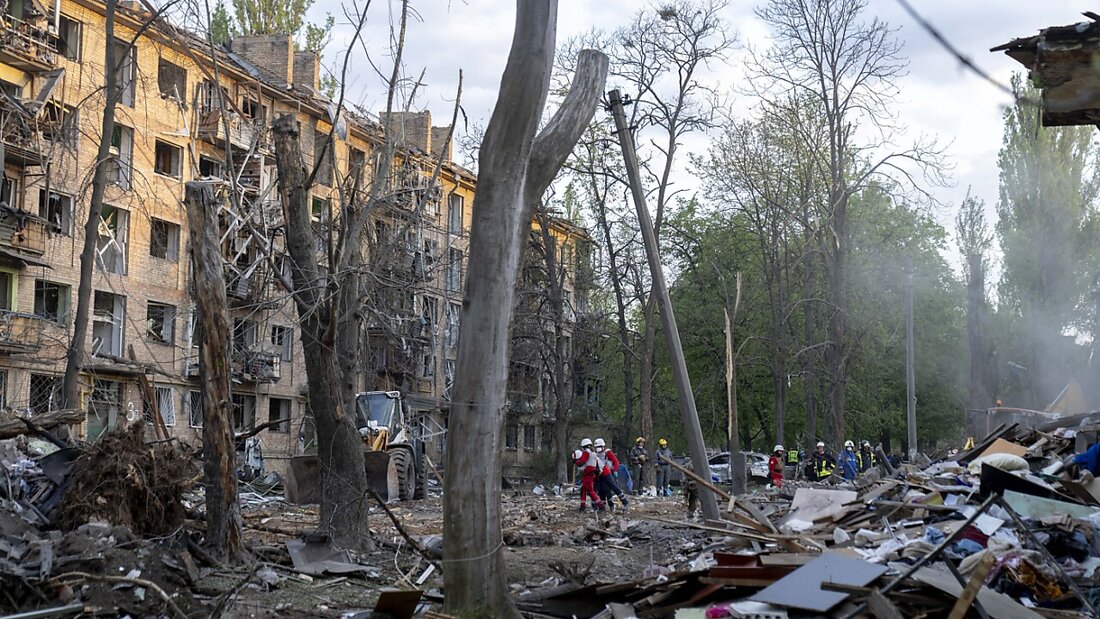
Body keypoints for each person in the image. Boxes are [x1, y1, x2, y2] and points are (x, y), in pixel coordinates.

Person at [594, 438, 629, 511]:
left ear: (603, 446)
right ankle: (604, 506)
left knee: (614, 487)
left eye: (599, 447)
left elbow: (616, 461)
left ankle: (625, 502)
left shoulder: (607, 453)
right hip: (600, 474)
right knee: (602, 490)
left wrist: (615, 470)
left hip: (608, 473)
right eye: (596, 447)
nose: (598, 449)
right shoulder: (595, 455)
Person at [574, 439, 604, 512]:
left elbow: (582, 462)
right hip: (592, 473)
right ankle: (582, 506)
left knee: (590, 491)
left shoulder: (586, 453)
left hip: (588, 474)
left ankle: (600, 506)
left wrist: (575, 461)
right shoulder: (593, 453)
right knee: (583, 490)